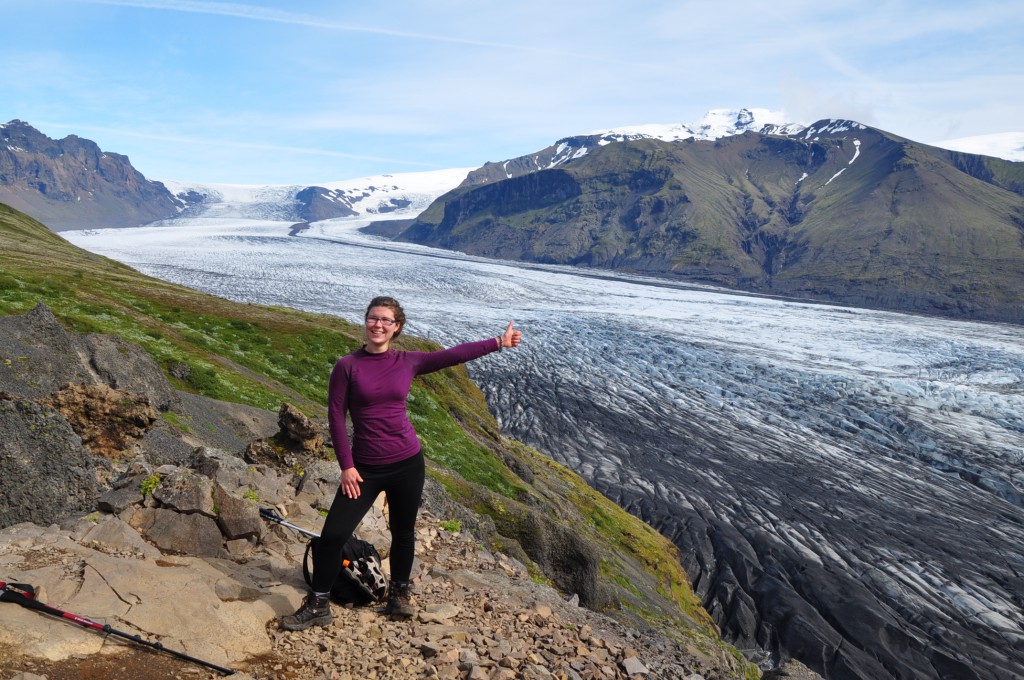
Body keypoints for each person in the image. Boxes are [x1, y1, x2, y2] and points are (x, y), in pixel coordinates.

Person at [281, 295, 522, 630]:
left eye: (386, 320)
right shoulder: (347, 367)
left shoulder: (408, 361)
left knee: (404, 532)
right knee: (333, 535)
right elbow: (336, 418)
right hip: (364, 468)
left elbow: (452, 355)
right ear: (365, 322)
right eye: (373, 318)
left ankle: (399, 594)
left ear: (397, 327)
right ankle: (318, 603)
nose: (378, 325)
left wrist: (498, 342)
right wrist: (347, 466)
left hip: (408, 462)